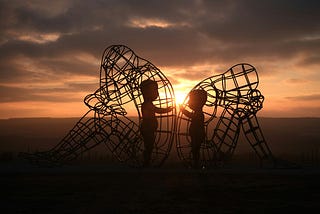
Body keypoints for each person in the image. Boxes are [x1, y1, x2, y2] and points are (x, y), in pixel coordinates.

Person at [140, 79, 173, 167]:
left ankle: (146, 162)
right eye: (154, 90)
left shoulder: (148, 104)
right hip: (147, 129)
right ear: (146, 92)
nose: (157, 93)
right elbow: (158, 110)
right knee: (149, 146)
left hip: (149, 129)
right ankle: (146, 163)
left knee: (149, 146)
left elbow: (157, 110)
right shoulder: (147, 104)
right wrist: (168, 109)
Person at [180, 89, 207, 169]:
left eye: (191, 100)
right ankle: (196, 163)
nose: (188, 102)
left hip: (197, 135)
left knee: (195, 149)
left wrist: (182, 110)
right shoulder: (198, 113)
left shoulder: (199, 114)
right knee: (195, 149)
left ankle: (196, 164)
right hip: (196, 134)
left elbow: (190, 115)